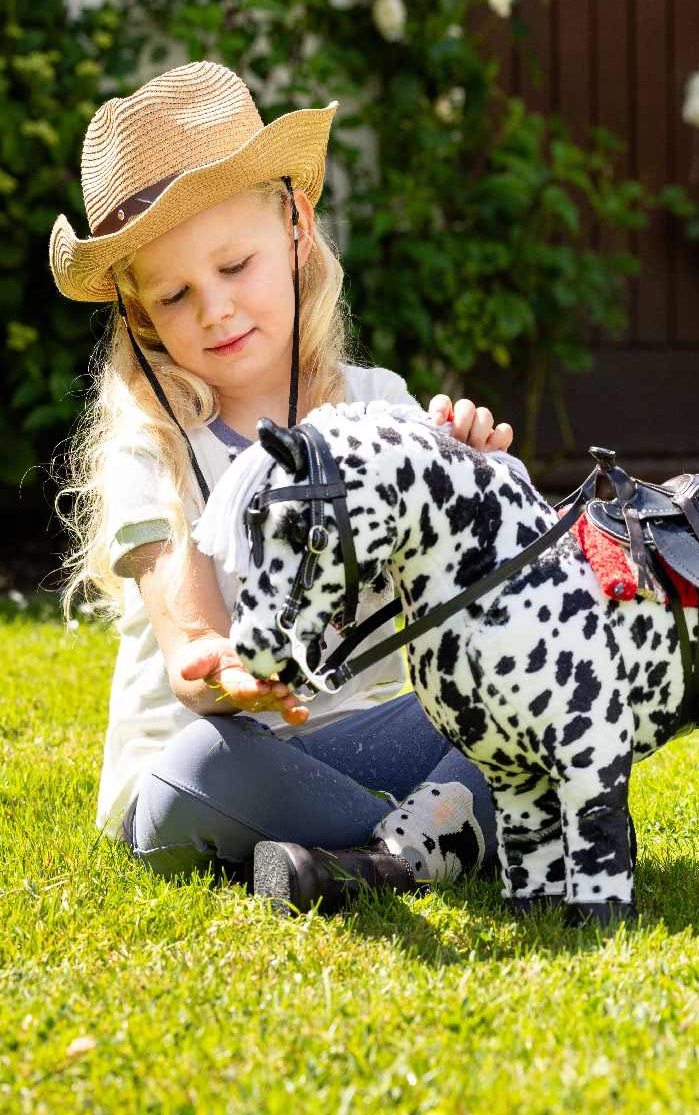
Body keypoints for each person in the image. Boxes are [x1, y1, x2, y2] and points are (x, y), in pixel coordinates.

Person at [50, 61, 528, 914]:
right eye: (176, 294)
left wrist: (469, 472)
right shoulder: (152, 450)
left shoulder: (379, 406)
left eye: (236, 265)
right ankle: (441, 840)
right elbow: (192, 646)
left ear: (297, 228)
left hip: (351, 741)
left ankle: (357, 860)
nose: (217, 311)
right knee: (196, 769)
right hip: (221, 757)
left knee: (507, 694)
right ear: (138, 315)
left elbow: (467, 595)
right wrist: (221, 672)